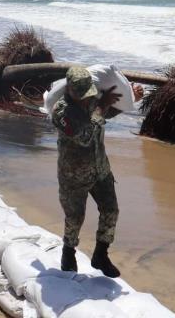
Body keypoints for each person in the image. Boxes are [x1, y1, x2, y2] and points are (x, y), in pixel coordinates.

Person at [51, 66, 123, 278]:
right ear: (70, 91)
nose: (85, 100)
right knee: (75, 217)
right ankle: (68, 253)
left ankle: (101, 255)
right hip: (74, 175)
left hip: (101, 169)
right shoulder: (61, 112)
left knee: (111, 211)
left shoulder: (92, 99)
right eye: (81, 96)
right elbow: (84, 136)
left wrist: (129, 100)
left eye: (87, 95)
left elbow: (106, 113)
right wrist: (101, 107)